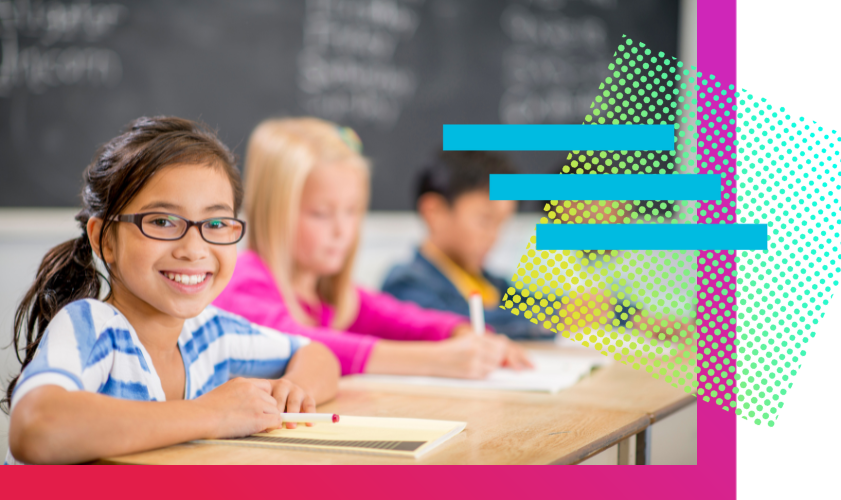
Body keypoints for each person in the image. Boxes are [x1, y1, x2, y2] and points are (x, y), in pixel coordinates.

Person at [3, 117, 340, 465]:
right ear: (104, 239)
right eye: (162, 222)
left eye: (215, 224)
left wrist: (293, 390)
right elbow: (35, 427)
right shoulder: (93, 328)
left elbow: (318, 355)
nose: (193, 250)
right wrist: (210, 414)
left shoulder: (212, 334)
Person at [213, 117, 532, 379]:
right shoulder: (244, 281)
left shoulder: (331, 295)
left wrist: (459, 332)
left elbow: (403, 318)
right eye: (321, 214)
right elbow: (302, 344)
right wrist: (436, 360)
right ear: (275, 211)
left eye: (351, 212)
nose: (342, 231)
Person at [381, 151, 555, 340]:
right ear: (435, 213)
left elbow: (531, 305)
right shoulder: (406, 285)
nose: (493, 237)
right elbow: (456, 323)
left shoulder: (489, 283)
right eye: (485, 220)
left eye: (501, 224)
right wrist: (557, 315)